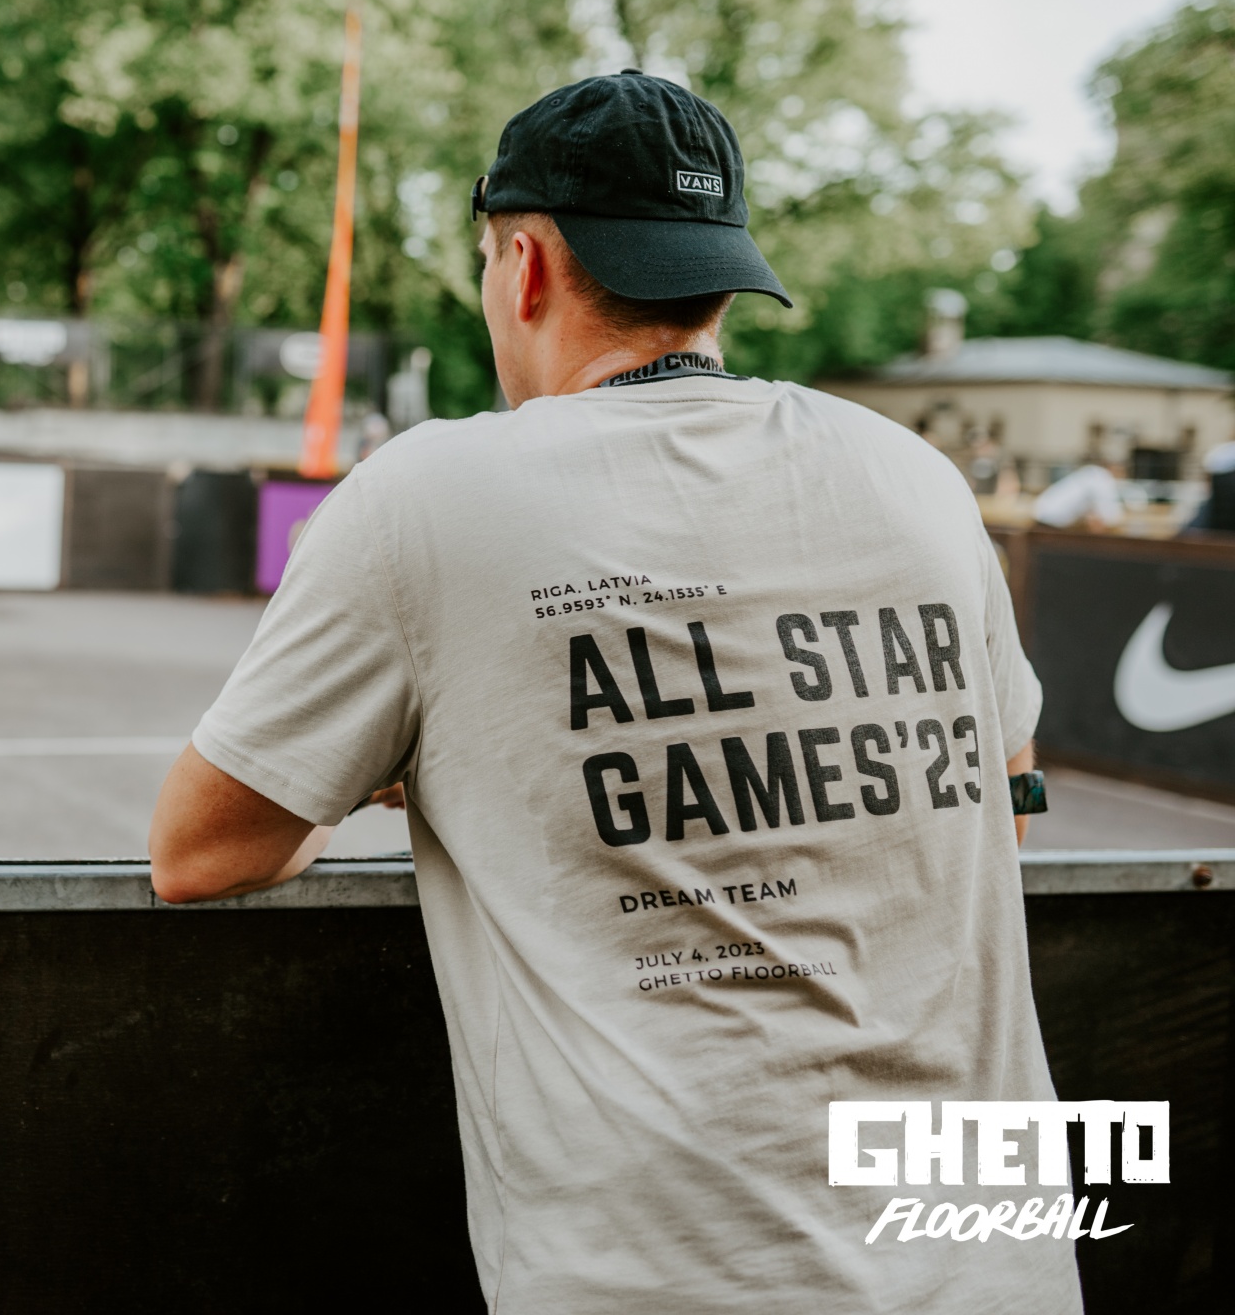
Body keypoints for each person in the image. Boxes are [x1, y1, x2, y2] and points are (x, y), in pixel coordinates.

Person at [150, 72, 1075, 1313]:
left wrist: (381, 776)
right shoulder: (914, 477)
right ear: (722, 278)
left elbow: (200, 853)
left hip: (676, 1281)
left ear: (524, 265)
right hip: (996, 1267)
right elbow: (1005, 809)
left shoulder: (426, 498)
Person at [1031, 457, 1126, 532]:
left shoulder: (1090, 473)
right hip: (1053, 524)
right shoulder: (1102, 478)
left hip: (1041, 517)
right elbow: (1110, 516)